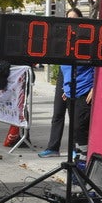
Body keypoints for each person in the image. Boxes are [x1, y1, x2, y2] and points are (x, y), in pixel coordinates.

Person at [39, 8, 91, 158]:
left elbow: (95, 67)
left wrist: (95, 87)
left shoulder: (86, 39)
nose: (71, 21)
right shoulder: (63, 39)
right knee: (58, 112)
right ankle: (53, 147)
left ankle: (77, 149)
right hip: (67, 79)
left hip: (82, 85)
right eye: (69, 18)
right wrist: (65, 87)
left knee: (77, 122)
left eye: (75, 18)